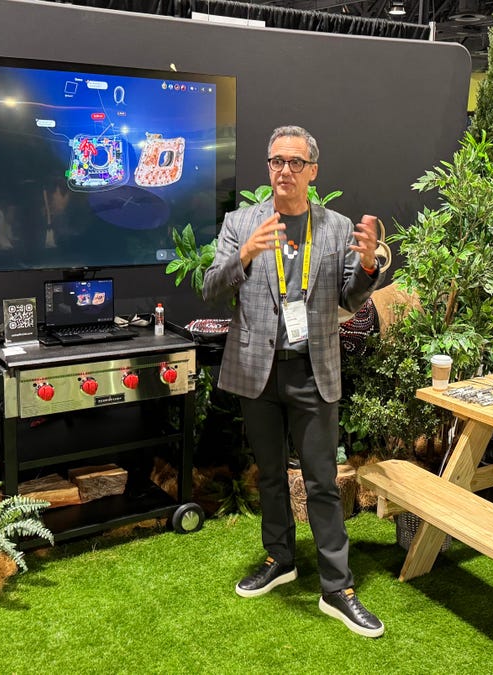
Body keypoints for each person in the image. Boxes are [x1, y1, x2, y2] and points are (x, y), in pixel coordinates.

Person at [203, 125, 385, 638]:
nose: (284, 170)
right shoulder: (242, 223)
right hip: (257, 371)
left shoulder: (336, 227)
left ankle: (338, 587)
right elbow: (211, 288)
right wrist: (244, 256)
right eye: (276, 161)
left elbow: (350, 300)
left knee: (323, 482)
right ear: (268, 168)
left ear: (313, 172)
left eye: (295, 163)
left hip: (313, 369)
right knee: (268, 476)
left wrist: (368, 264)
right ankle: (279, 559)